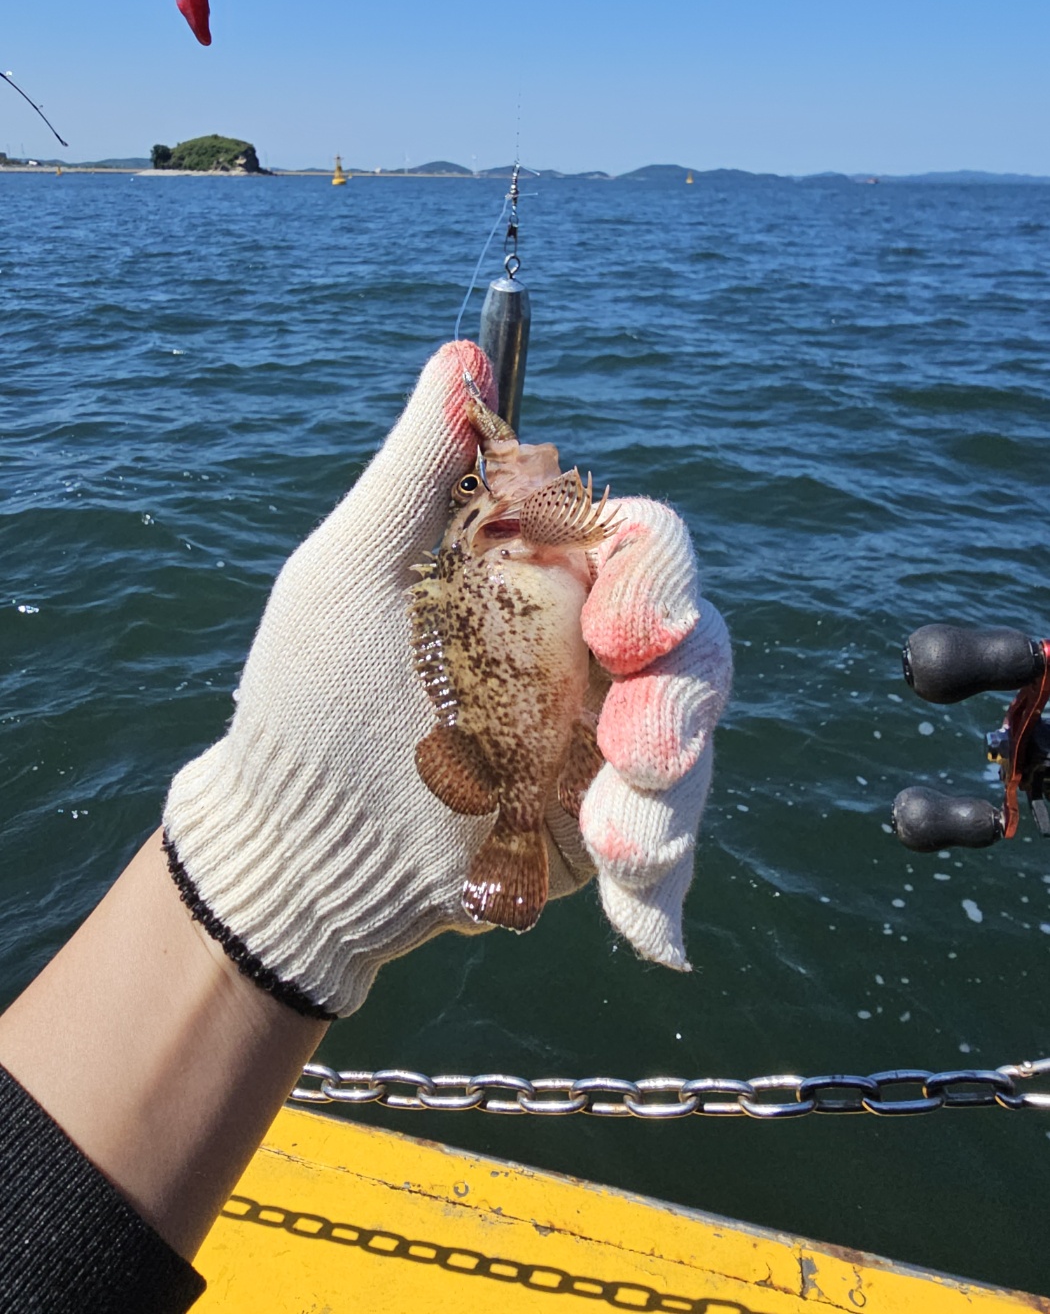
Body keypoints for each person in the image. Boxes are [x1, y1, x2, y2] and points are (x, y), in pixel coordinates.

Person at [0, 341, 731, 1311]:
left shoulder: (517, 536)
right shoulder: (503, 538)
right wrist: (292, 851)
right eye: (485, 484)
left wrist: (287, 865)